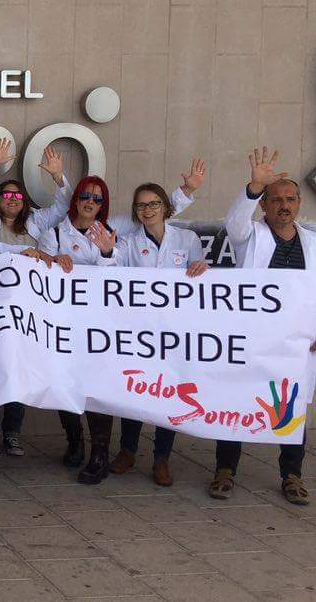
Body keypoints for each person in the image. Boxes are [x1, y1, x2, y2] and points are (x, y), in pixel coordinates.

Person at [214, 148, 313, 506]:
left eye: (290, 199)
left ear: (299, 203)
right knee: (237, 401)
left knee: (292, 407)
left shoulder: (313, 244)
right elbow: (234, 223)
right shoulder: (250, 237)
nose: (283, 205)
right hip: (253, 339)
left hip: (294, 344)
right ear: (264, 206)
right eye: (275, 200)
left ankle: (291, 475)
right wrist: (254, 185)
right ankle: (225, 470)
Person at [0, 141, 70, 460]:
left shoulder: (36, 223)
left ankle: (12, 432)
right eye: (6, 195)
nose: (12, 200)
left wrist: (58, 176)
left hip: (27, 312)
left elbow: (65, 206)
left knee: (19, 370)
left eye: (18, 196)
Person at [107, 182, 209, 487]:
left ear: (165, 206)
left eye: (153, 204)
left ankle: (162, 457)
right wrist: (105, 251)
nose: (147, 210)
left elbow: (201, 277)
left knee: (170, 394)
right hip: (140, 330)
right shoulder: (128, 242)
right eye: (141, 205)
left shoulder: (187, 239)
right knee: (136, 389)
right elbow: (113, 270)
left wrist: (203, 267)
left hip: (175, 330)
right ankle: (127, 451)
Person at [38, 174, 123, 481]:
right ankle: (75, 440)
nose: (90, 202)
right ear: (76, 199)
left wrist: (106, 253)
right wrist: (51, 258)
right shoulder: (55, 234)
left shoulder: (110, 234)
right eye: (86, 196)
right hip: (64, 325)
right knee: (65, 385)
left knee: (98, 389)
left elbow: (118, 281)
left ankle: (100, 454)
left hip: (99, 327)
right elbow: (39, 269)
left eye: (97, 199)